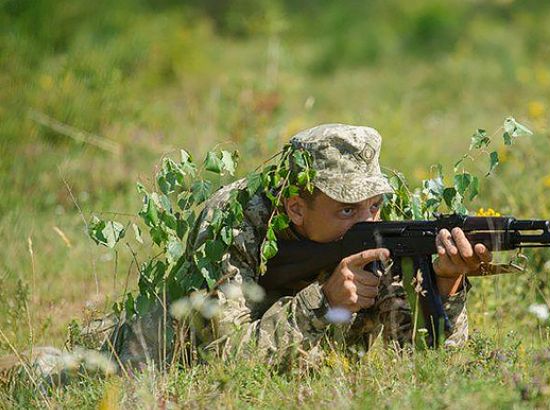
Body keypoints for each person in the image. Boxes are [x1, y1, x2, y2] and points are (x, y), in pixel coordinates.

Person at [1, 123, 492, 384]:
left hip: (302, 374)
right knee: (48, 377)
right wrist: (323, 303)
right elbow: (227, 361)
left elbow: (430, 361)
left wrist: (446, 284)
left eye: (375, 203)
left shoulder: (380, 226)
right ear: (296, 207)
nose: (368, 219)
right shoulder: (233, 219)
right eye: (346, 208)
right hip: (153, 358)